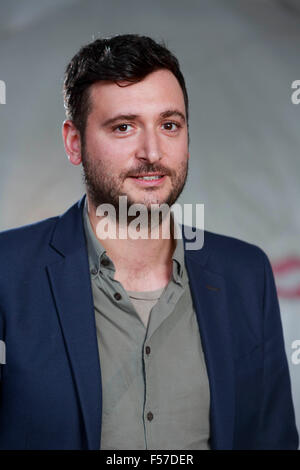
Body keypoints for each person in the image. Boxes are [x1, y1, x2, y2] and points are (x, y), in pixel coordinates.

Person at [0, 34, 298, 450]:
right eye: (124, 127)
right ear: (74, 142)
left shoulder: (245, 275)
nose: (152, 152)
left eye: (169, 125)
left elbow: (273, 440)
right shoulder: (7, 273)